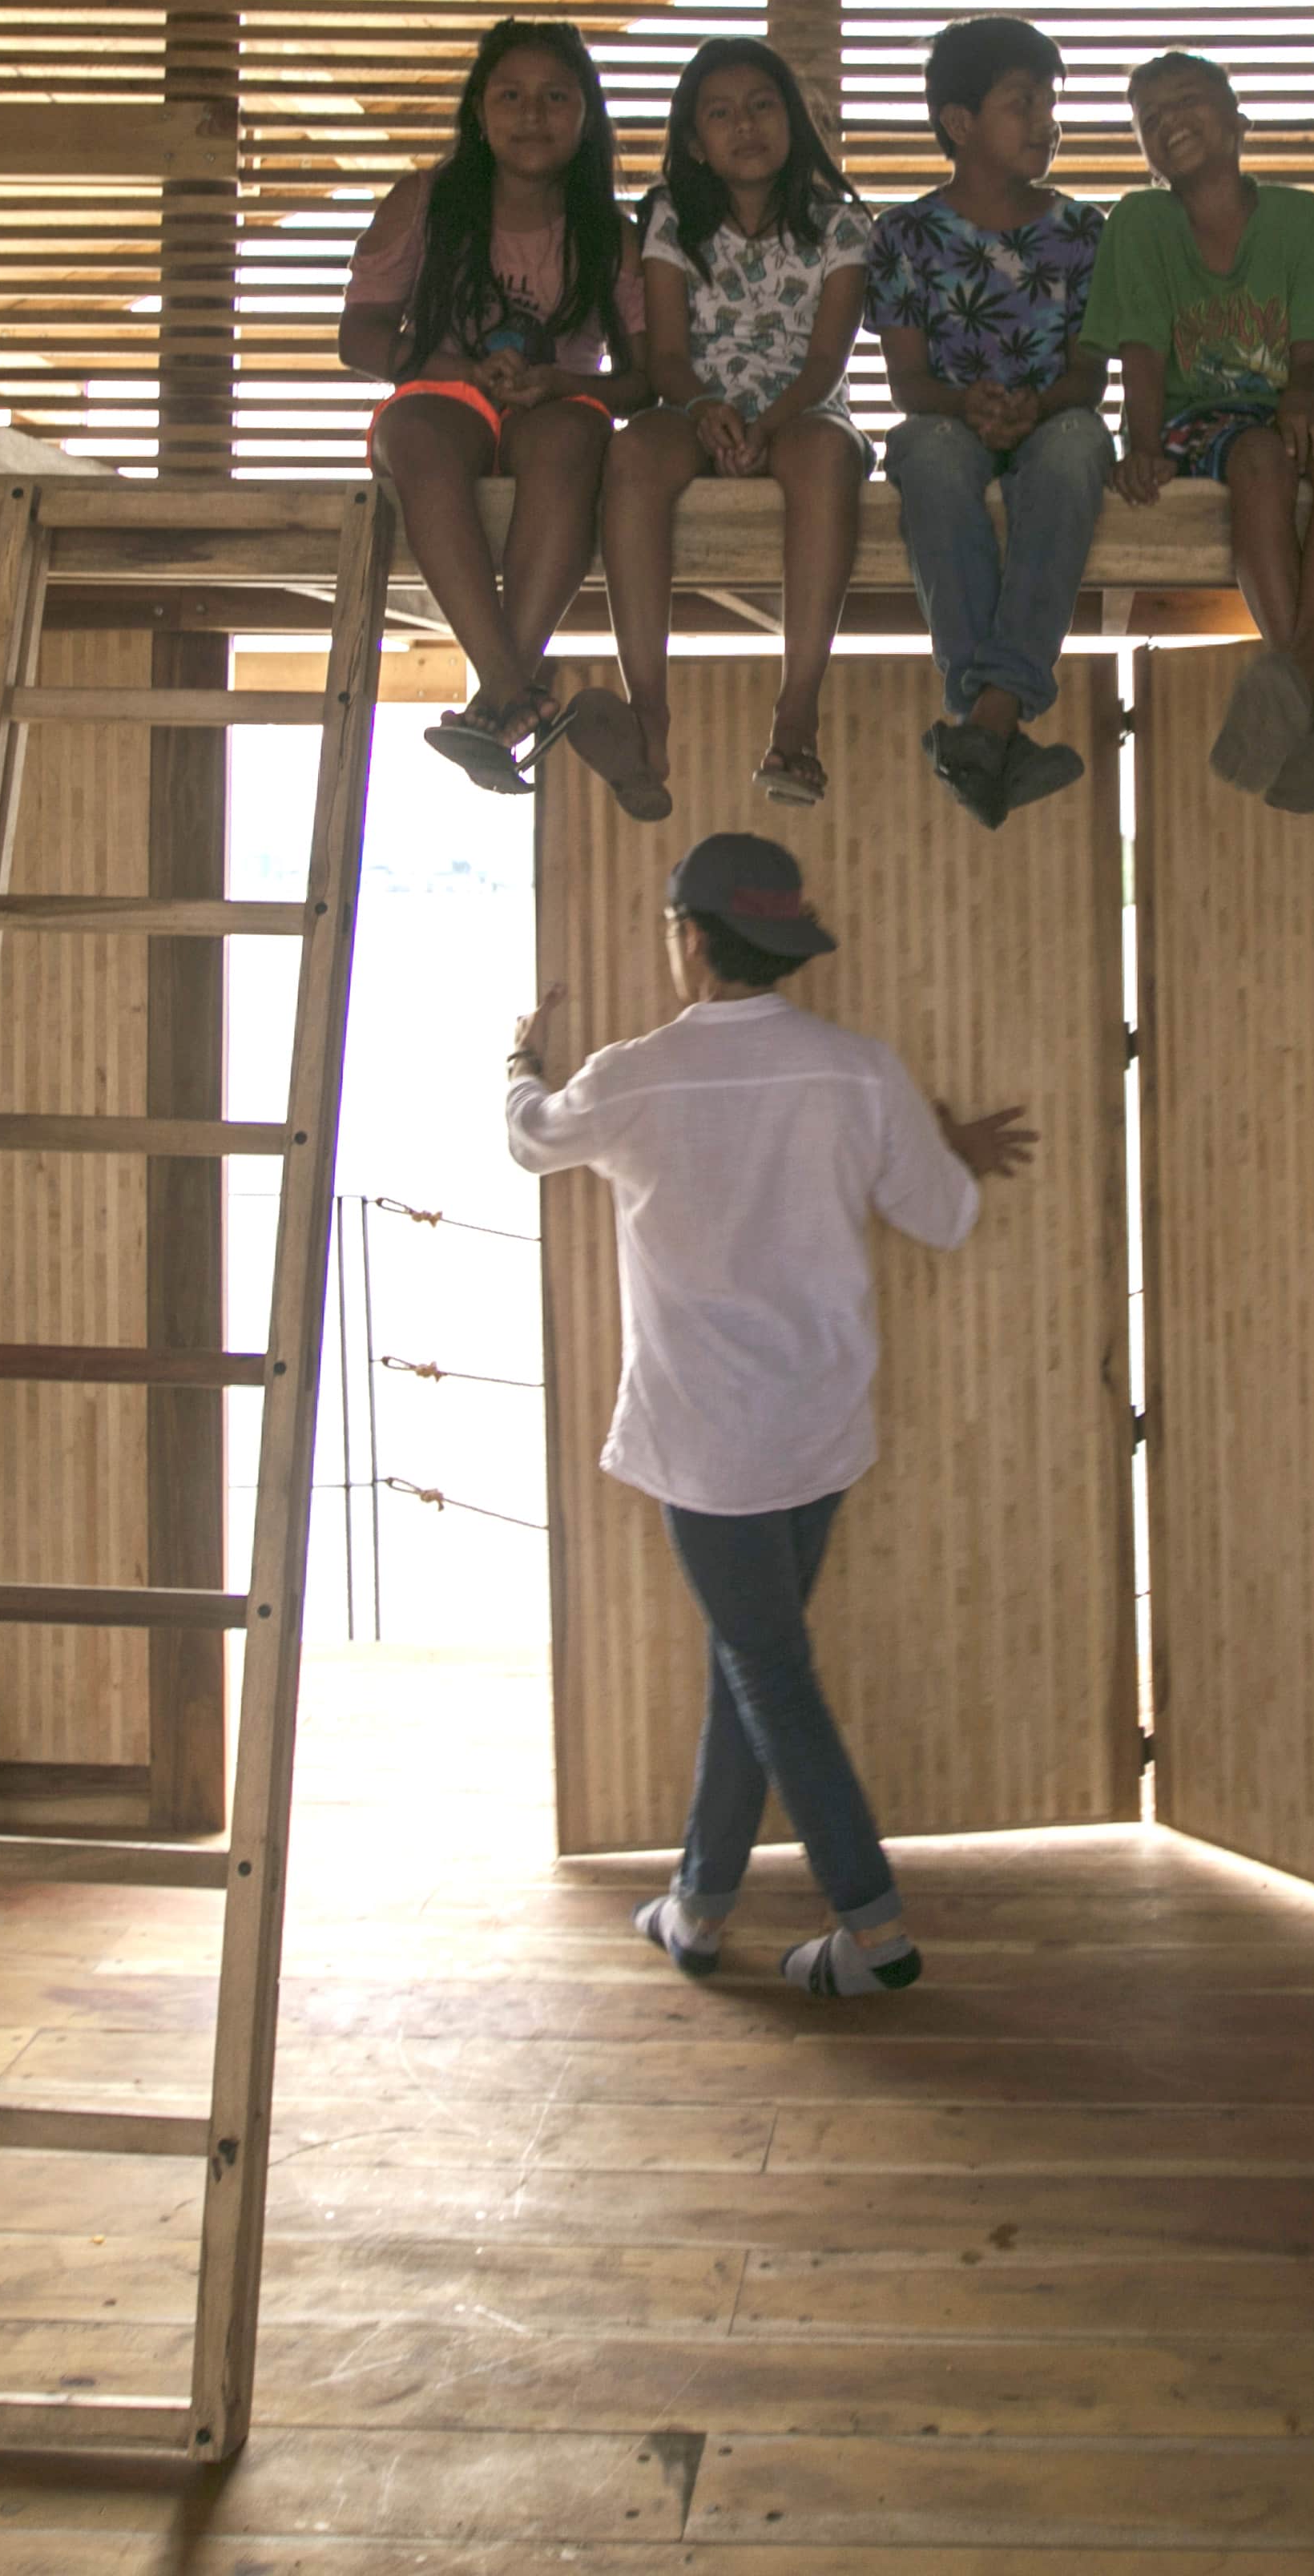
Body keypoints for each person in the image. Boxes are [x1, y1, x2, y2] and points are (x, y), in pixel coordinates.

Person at [502, 832, 1035, 1997]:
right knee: (753, 1660)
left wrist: (516, 1066)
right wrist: (931, 1143)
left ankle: (875, 1928)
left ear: (691, 939)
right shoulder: (859, 1070)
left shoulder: (634, 1074)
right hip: (822, 1431)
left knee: (766, 1670)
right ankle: (697, 1905)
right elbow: (943, 1216)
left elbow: (530, 1140)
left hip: (706, 1442)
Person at [560, 39, 878, 819]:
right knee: (632, 451)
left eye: (763, 106)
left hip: (802, 410)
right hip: (692, 405)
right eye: (721, 113)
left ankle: (796, 713)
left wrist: (765, 424)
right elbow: (665, 354)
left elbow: (827, 362)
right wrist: (707, 410)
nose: (746, 126)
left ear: (794, 122)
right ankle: (649, 712)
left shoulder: (843, 228)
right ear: (695, 141)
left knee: (822, 461)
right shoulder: (671, 219)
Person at [342, 18, 638, 795]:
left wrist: (559, 386)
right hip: (443, 396)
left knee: (575, 435)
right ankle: (511, 687)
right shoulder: (423, 203)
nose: (531, 114)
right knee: (416, 428)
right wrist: (463, 368)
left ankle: (505, 695)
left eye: (554, 98)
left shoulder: (611, 235)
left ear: (586, 115)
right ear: (478, 111)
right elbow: (360, 336)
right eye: (510, 95)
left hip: (555, 407)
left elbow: (648, 380)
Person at [1090, 51, 1314, 812]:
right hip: (1196, 421)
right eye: (1149, 121)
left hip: (1283, 403)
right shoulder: (1139, 222)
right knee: (1259, 457)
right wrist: (1145, 447)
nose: (1169, 123)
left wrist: (1299, 396)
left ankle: (1294, 690)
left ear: (1238, 123)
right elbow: (1144, 352)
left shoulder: (1300, 218)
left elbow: (1310, 349)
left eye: (1187, 102)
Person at [869, 17, 1109, 828]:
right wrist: (965, 406)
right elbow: (907, 382)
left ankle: (984, 722)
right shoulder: (903, 236)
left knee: (1079, 447)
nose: (1047, 120)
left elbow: (1088, 372)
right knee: (929, 456)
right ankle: (1000, 718)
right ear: (959, 123)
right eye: (1022, 102)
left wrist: (1038, 406)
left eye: (1051, 101)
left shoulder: (1082, 231)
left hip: (1051, 421)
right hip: (948, 420)